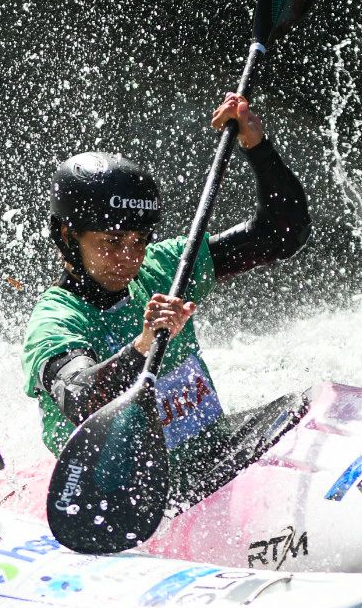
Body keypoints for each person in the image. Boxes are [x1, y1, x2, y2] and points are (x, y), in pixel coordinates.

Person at [21, 94, 310, 499]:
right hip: (126, 496)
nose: (129, 257)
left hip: (213, 462)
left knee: (307, 408)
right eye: (112, 241)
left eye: (139, 240)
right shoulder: (56, 321)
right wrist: (143, 345)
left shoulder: (161, 268)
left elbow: (281, 235)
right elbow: (82, 398)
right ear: (68, 236)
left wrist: (255, 144)